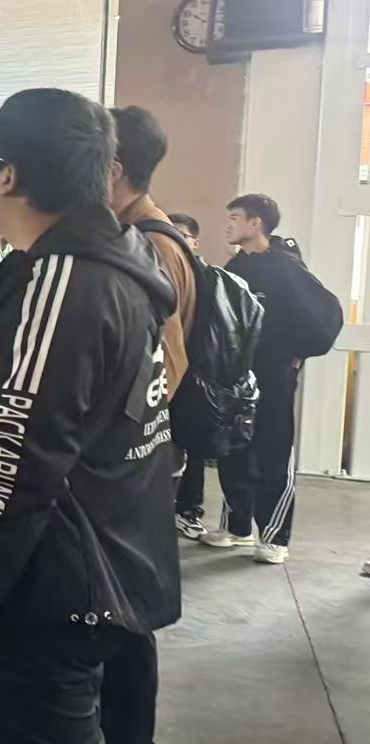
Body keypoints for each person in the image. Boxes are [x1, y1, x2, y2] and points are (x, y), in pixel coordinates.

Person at [0, 88, 181, 744]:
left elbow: (18, 459)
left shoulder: (63, 283)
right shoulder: (117, 263)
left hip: (47, 588)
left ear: (6, 175)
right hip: (98, 568)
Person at [100, 106, 197, 744]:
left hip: (129, 466)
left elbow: (163, 363)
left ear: (112, 169)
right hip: (140, 459)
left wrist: (116, 445)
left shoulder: (144, 245)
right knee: (125, 617)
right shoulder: (150, 237)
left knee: (120, 620)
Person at [203, 194, 342, 562]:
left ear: (256, 224)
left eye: (235, 217)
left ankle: (275, 536)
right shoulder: (235, 267)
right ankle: (237, 528)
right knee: (234, 449)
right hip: (237, 381)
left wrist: (296, 355)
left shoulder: (287, 268)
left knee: (273, 453)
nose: (228, 224)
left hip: (274, 379)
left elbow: (327, 314)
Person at [167, 213, 207, 534]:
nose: (175, 240)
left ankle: (188, 511)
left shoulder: (209, 277)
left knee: (190, 447)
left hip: (194, 376)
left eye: (181, 234)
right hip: (167, 374)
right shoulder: (160, 270)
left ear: (195, 242)